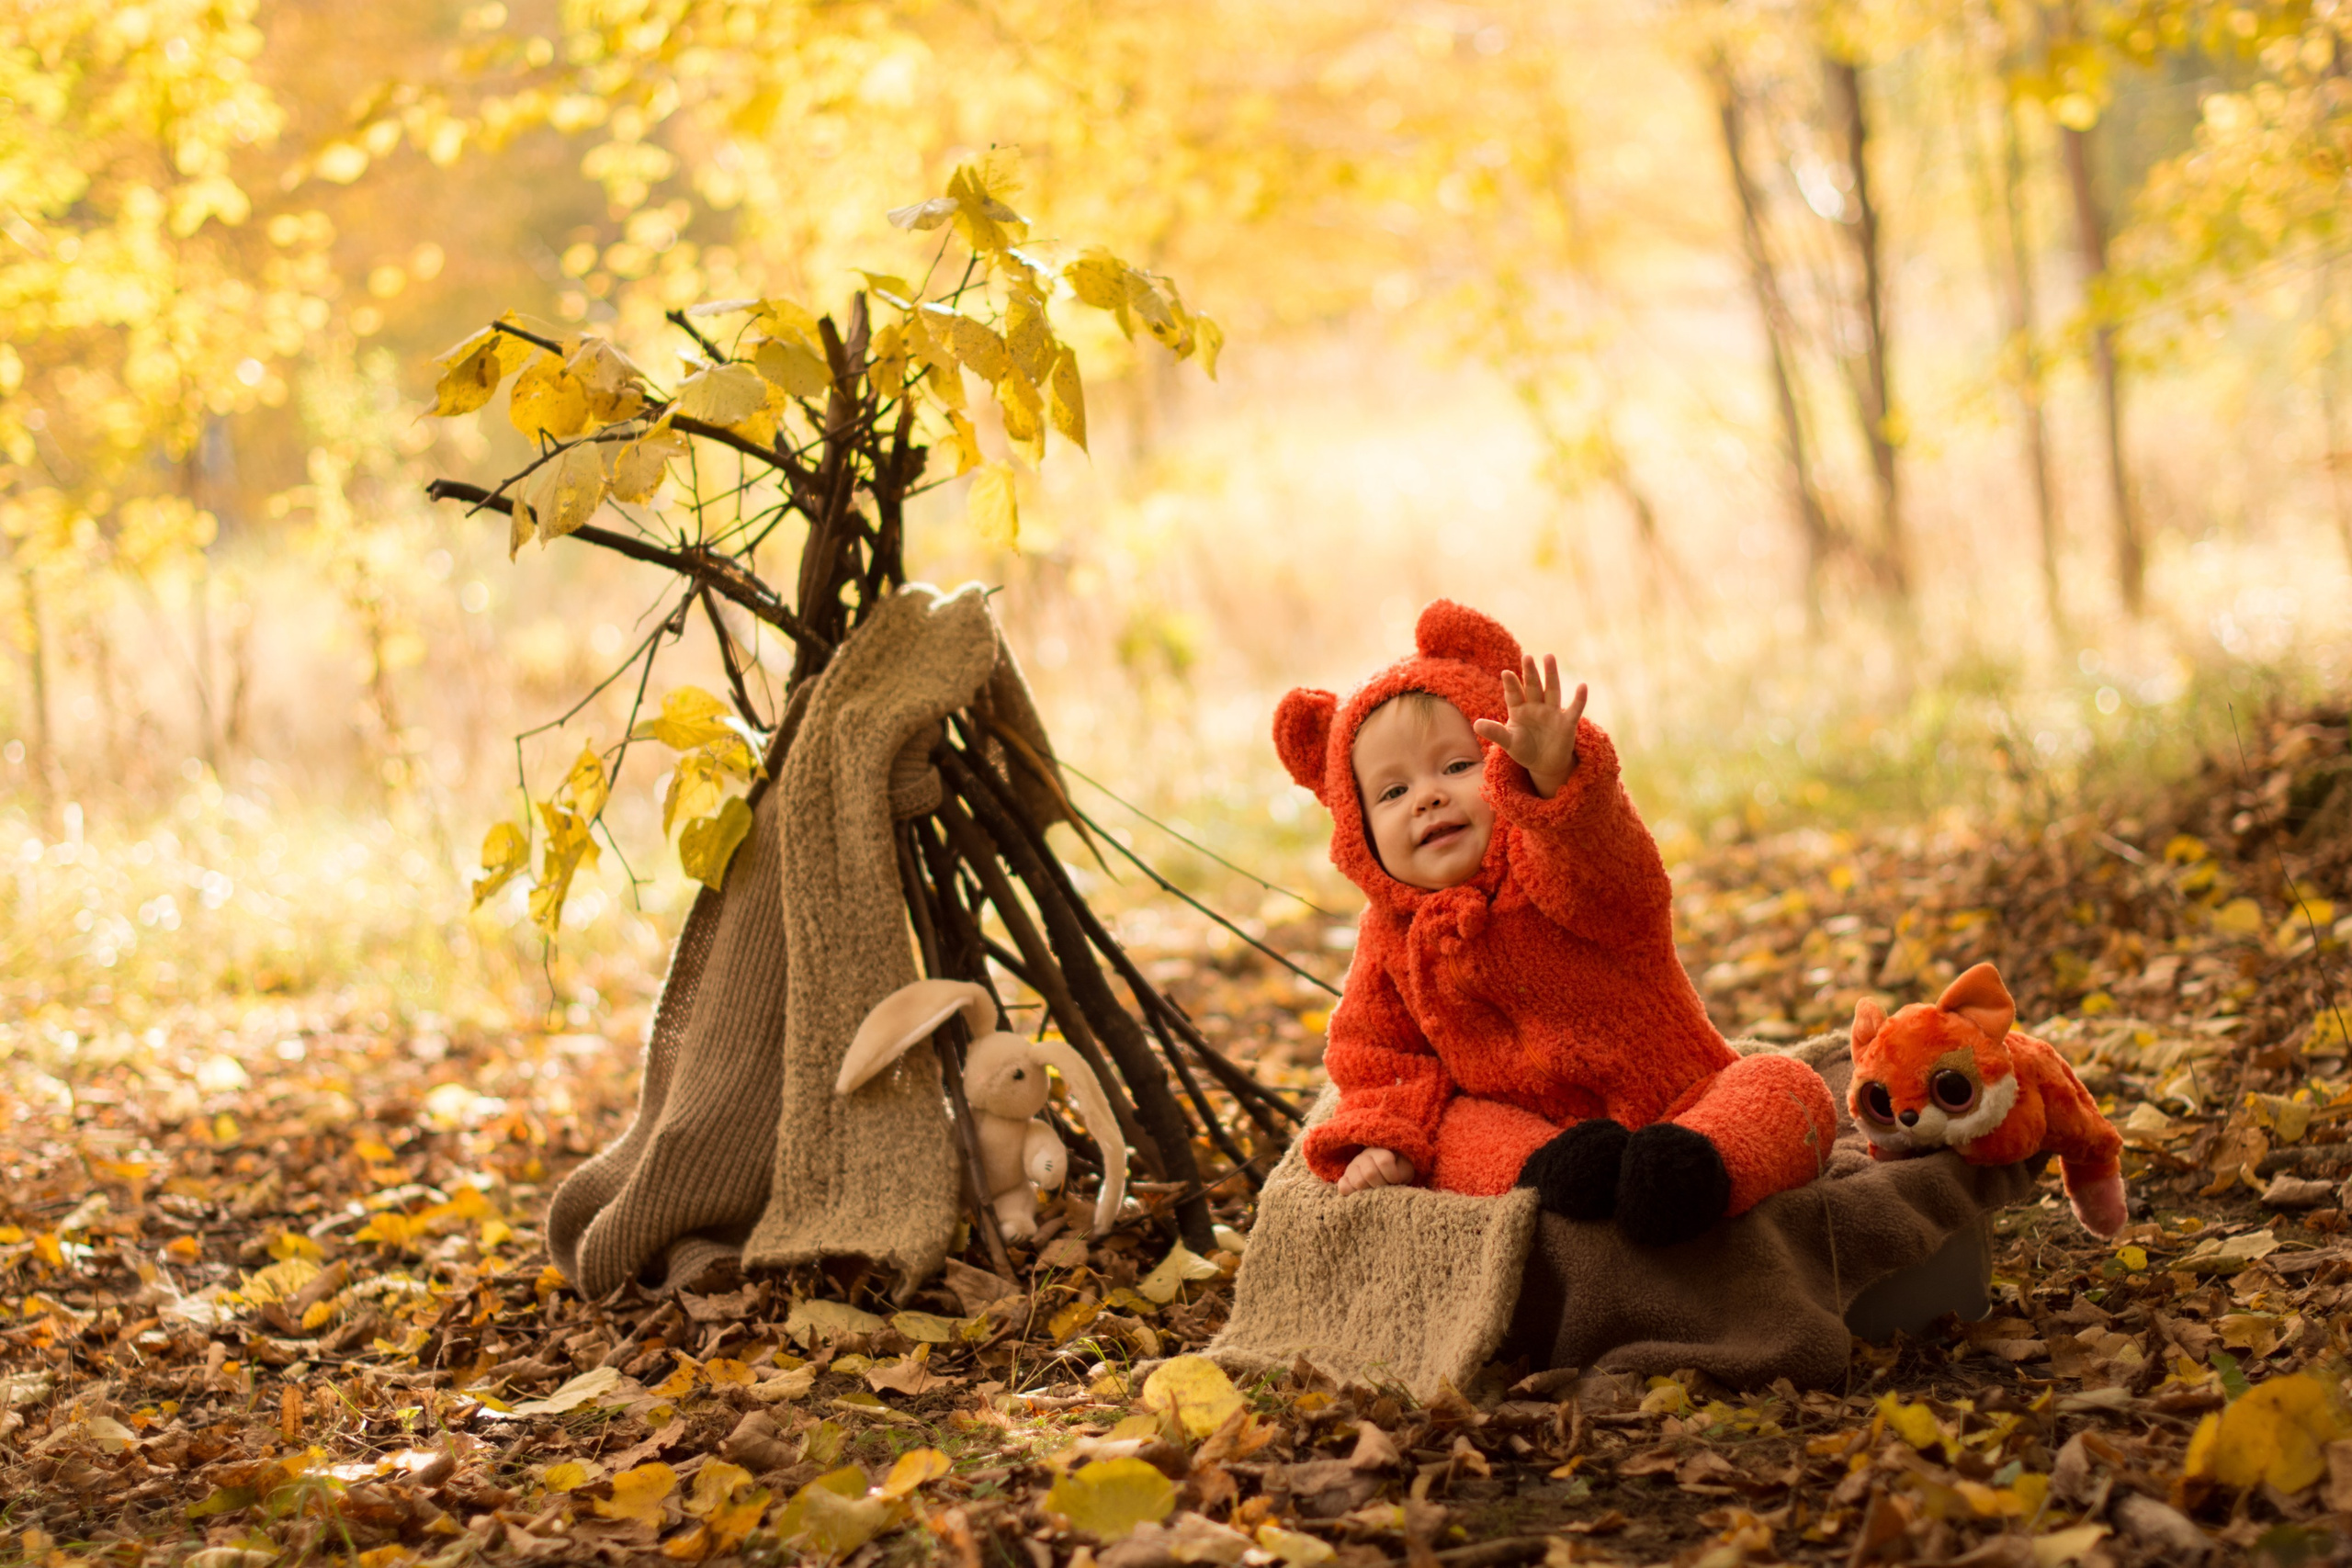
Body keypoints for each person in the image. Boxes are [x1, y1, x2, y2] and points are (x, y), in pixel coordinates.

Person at [1272, 600, 1837, 1246]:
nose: (1428, 796)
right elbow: (1377, 1053)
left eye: (1457, 766)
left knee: (1787, 1089)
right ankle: (1556, 1173)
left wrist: (1554, 781)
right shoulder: (1388, 940)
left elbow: (1606, 864)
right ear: (1358, 829)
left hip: (1681, 1099)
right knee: (1447, 1132)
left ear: (1500, 762)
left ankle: (1696, 1172)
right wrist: (1385, 1134)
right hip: (1534, 1133)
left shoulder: (1545, 854)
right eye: (1393, 792)